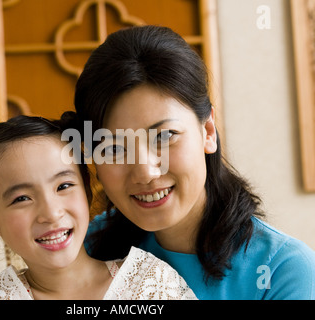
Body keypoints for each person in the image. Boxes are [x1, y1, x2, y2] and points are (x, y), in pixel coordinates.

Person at [74, 25, 315, 299]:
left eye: (165, 136)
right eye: (114, 147)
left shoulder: (284, 271)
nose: (146, 172)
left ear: (208, 131)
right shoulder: (82, 251)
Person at [0, 114, 196, 300]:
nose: (51, 213)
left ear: (85, 189)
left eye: (63, 187)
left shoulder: (150, 283)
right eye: (21, 199)